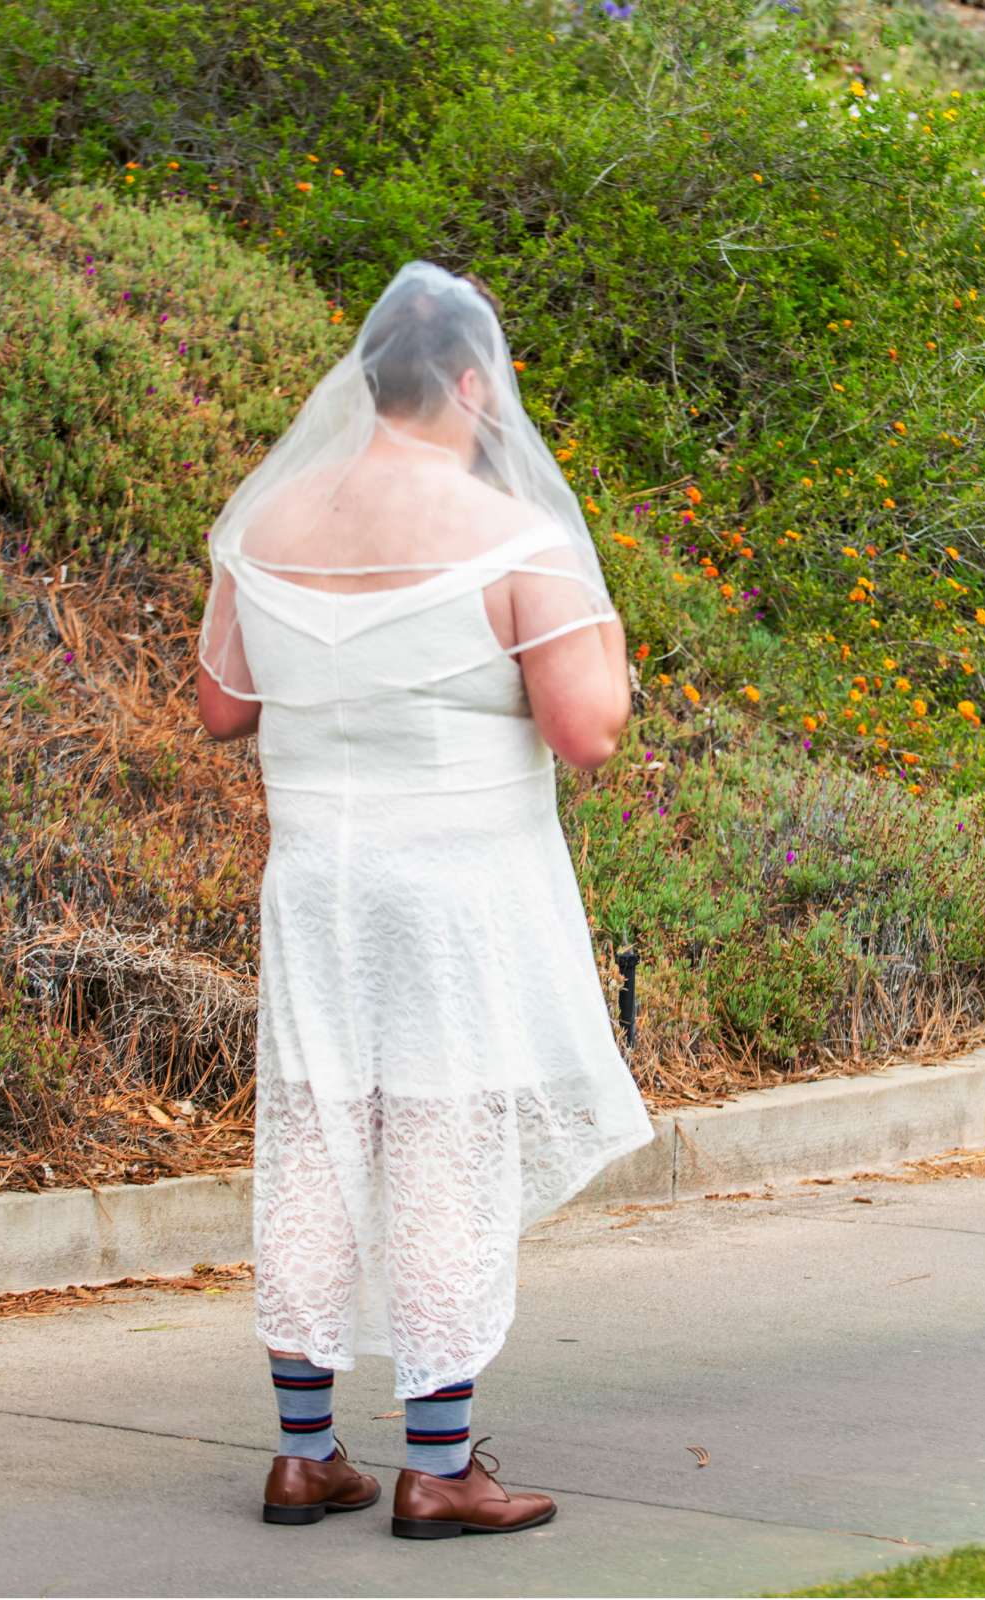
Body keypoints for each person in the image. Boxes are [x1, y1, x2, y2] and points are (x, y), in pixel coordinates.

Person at [195, 262, 654, 1536]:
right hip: (450, 884)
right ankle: (441, 1465)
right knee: (443, 1141)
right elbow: (587, 733)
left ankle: (304, 1451)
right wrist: (607, 635)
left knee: (312, 1130)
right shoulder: (513, 535)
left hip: (316, 882)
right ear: (469, 381)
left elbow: (224, 706)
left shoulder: (269, 522)